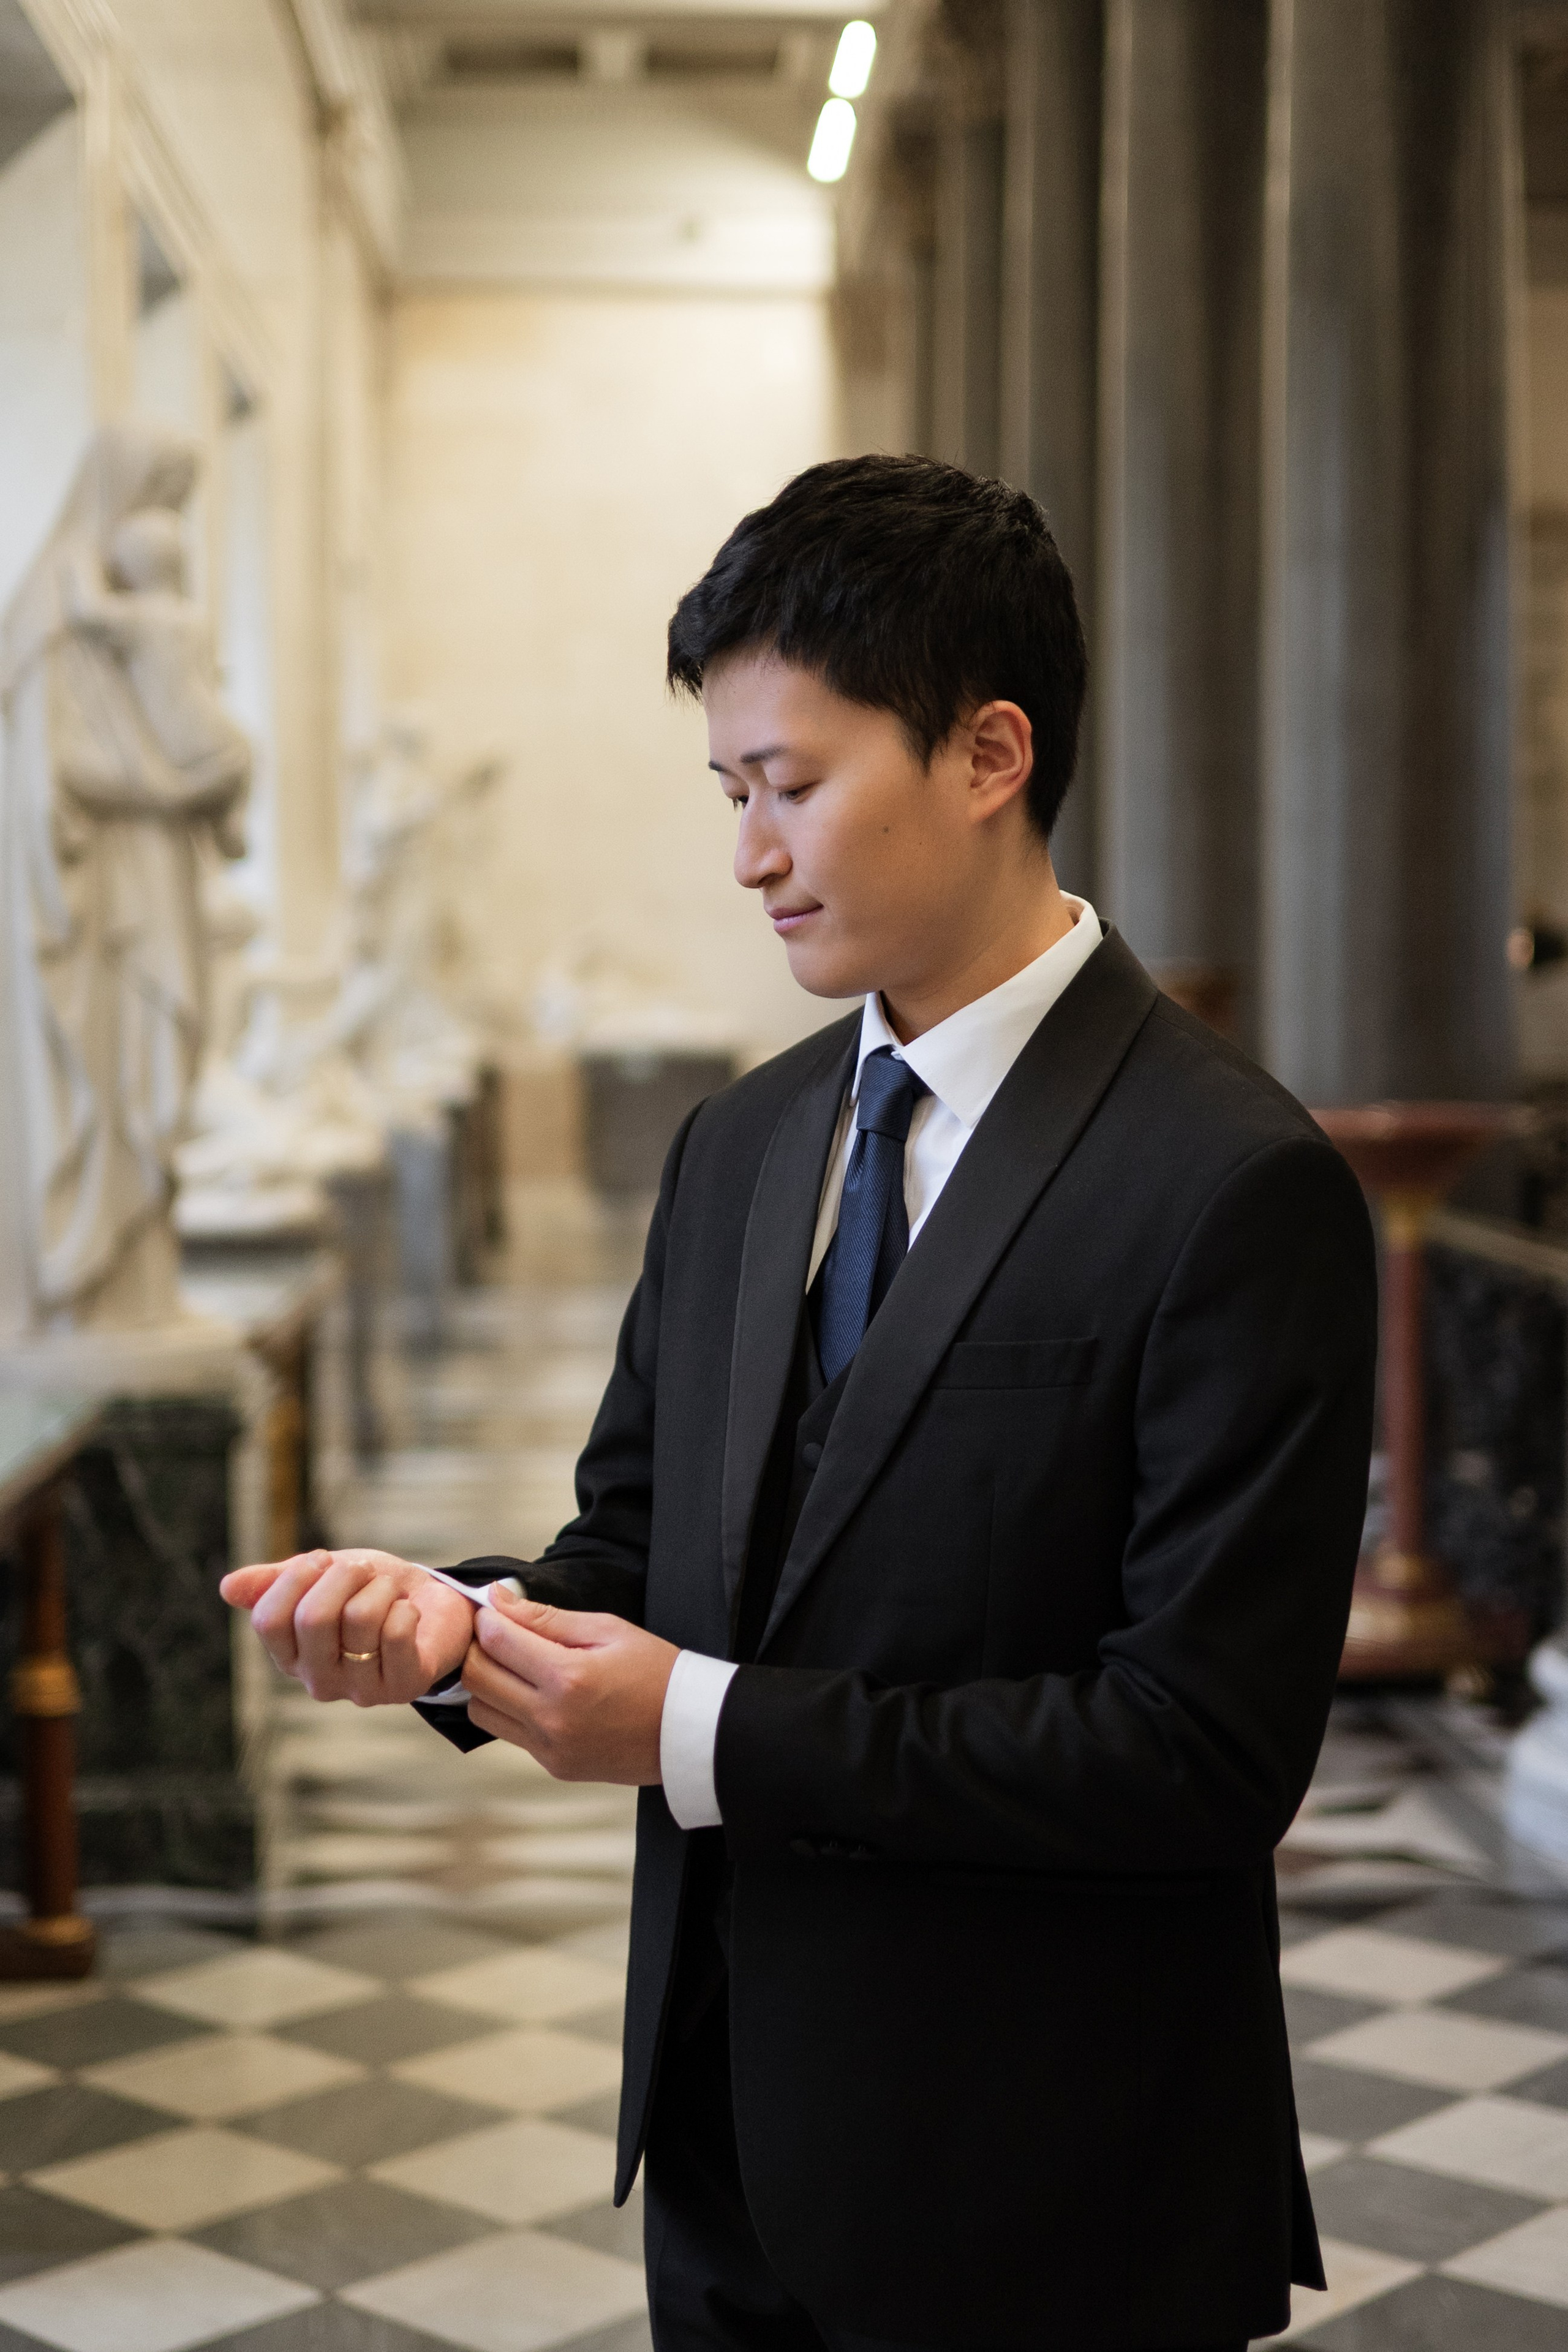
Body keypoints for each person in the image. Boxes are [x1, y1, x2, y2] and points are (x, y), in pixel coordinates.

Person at [224, 456, 1378, 2352]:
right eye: (731, 792)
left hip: (1050, 2178)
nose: (751, 852)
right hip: (728, 2146)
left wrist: (699, 1728)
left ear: (992, 752)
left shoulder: (1231, 1184)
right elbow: (641, 1551)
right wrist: (461, 1629)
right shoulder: (745, 1147)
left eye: (795, 784)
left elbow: (1200, 1756)